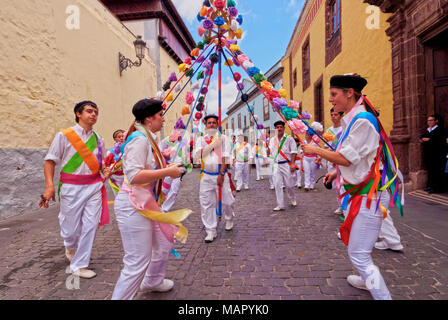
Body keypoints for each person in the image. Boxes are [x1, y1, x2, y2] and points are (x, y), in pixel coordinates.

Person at [303, 74, 399, 300]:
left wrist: (315, 150)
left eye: (334, 94)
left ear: (349, 93)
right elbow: (361, 159)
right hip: (362, 195)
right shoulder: (354, 119)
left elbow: (346, 158)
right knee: (360, 251)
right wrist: (334, 172)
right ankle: (368, 281)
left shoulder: (363, 121)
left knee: (359, 255)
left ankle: (382, 295)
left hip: (369, 197)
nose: (330, 100)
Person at [112, 99, 190, 300]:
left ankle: (153, 280)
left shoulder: (147, 137)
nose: (163, 119)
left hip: (147, 201)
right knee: (137, 259)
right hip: (133, 203)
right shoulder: (139, 139)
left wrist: (165, 161)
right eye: (160, 115)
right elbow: (136, 175)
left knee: (164, 240)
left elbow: (147, 166)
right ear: (149, 118)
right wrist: (168, 171)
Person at [38, 101, 111, 279]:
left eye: (96, 111)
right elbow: (50, 161)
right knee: (70, 230)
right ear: (78, 114)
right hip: (71, 188)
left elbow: (101, 166)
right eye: (89, 111)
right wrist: (50, 186)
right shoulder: (64, 135)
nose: (93, 114)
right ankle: (70, 245)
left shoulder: (98, 139)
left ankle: (79, 265)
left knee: (91, 225)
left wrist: (105, 171)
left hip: (94, 187)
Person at [195, 114, 235, 243]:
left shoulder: (223, 138)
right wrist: (213, 145)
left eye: (214, 122)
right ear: (205, 125)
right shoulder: (200, 140)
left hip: (220, 174)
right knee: (207, 204)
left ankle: (229, 218)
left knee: (228, 201)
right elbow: (199, 155)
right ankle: (211, 230)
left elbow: (225, 157)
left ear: (217, 125)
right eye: (209, 123)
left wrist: (221, 174)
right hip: (206, 175)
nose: (211, 124)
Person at [159, 118, 191, 213]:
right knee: (164, 189)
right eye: (177, 130)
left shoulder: (186, 143)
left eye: (181, 131)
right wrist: (165, 155)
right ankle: (158, 204)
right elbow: (159, 150)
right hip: (168, 168)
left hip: (179, 169)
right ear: (174, 130)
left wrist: (181, 164)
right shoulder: (168, 140)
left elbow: (187, 159)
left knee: (174, 190)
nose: (179, 133)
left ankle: (164, 209)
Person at [269, 121, 297, 211]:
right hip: (276, 165)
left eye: (281, 127)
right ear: (275, 129)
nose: (279, 129)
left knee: (289, 185)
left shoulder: (289, 139)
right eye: (277, 127)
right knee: (277, 184)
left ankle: (292, 198)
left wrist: (292, 163)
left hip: (286, 164)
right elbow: (269, 152)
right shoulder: (272, 140)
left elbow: (293, 152)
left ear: (284, 128)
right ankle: (280, 205)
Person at [420, 114, 447, 193]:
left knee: (437, 172)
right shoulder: (428, 130)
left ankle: (437, 188)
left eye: (431, 120)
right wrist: (423, 139)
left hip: (437, 155)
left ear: (436, 121)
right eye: (428, 120)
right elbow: (422, 137)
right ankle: (430, 186)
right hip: (429, 154)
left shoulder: (440, 130)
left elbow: (439, 141)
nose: (429, 122)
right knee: (430, 171)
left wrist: (429, 140)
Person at [325, 108, 344, 214]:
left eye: (336, 114)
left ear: (341, 116)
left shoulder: (345, 129)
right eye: (332, 114)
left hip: (342, 160)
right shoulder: (328, 131)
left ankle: (345, 205)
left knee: (342, 184)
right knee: (335, 186)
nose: (333, 117)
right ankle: (340, 205)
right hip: (331, 161)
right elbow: (325, 147)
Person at [105, 129, 126, 196]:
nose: (121, 138)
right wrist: (117, 166)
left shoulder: (128, 149)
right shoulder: (110, 152)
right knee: (119, 198)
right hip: (115, 179)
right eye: (119, 137)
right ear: (115, 139)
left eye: (123, 136)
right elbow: (107, 167)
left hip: (126, 178)